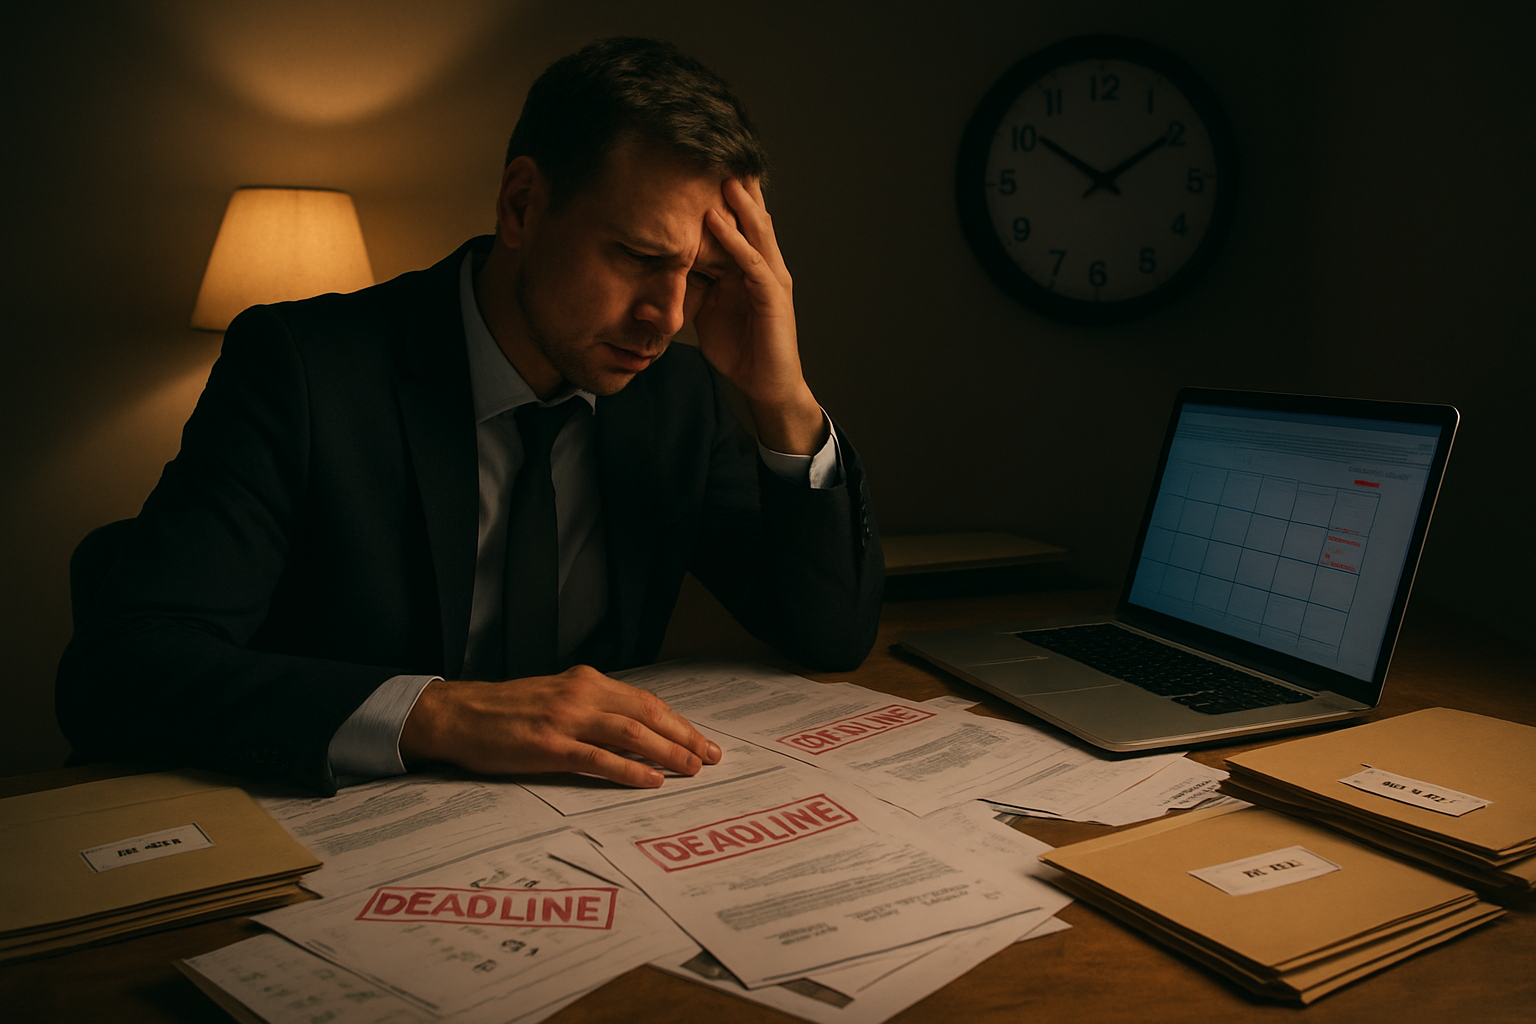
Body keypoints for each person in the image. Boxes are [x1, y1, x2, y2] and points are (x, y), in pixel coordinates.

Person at [55, 37, 883, 796]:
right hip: (344, 834)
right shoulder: (303, 369)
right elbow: (119, 672)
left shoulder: (680, 397)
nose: (666, 318)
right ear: (522, 206)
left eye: (701, 276)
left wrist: (782, 398)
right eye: (637, 257)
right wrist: (440, 714)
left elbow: (829, 636)